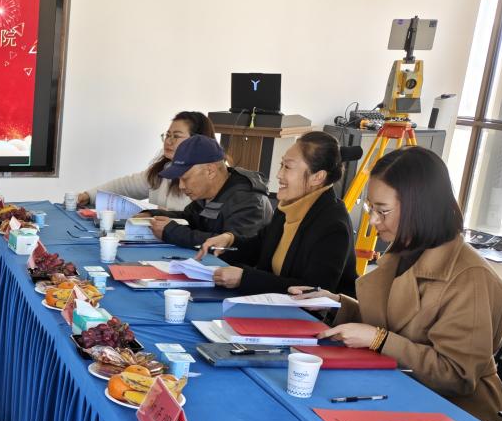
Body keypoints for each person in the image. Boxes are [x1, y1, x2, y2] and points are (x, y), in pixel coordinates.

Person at [292, 147, 502, 421]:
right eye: (370, 208)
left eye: (383, 211)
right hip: (398, 390)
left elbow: (456, 375)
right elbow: (393, 322)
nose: (373, 221)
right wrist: (335, 306)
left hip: (456, 418)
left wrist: (379, 340)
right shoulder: (405, 250)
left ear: (421, 208)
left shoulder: (471, 277)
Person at [193, 132, 355, 295]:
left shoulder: (333, 226)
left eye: (288, 167)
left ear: (317, 177)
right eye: (281, 165)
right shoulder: (289, 207)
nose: (279, 174)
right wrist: (230, 240)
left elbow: (313, 291)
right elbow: (260, 246)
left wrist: (246, 278)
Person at [149, 135, 272, 249]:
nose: (181, 186)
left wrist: (172, 232)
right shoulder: (208, 194)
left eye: (185, 179)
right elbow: (188, 218)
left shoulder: (248, 200)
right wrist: (151, 215)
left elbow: (230, 249)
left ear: (210, 171)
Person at [80, 111, 216, 212]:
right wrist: (89, 195)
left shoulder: (206, 176)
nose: (168, 141)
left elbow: (203, 224)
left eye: (176, 136)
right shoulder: (164, 169)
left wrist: (165, 215)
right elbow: (126, 186)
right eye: (168, 135)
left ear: (198, 140)